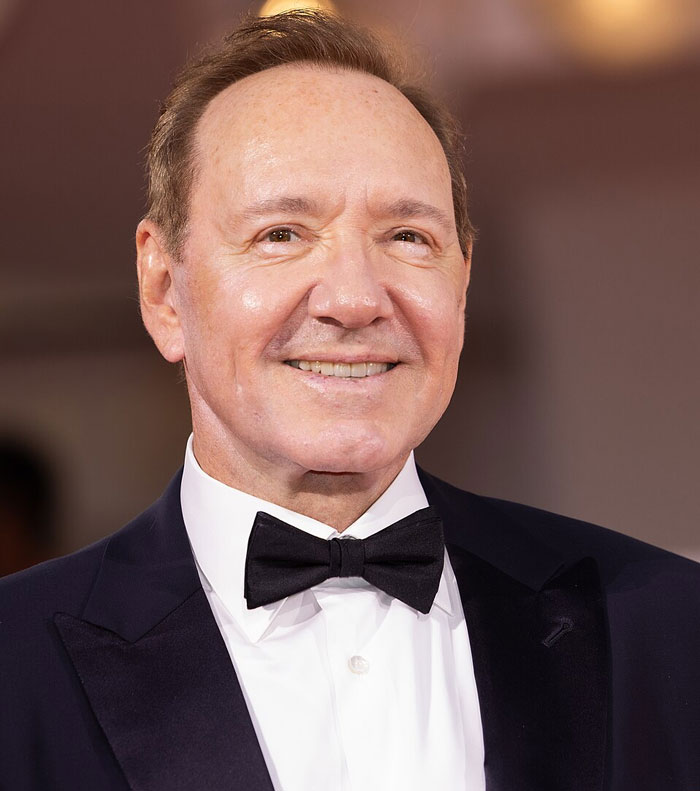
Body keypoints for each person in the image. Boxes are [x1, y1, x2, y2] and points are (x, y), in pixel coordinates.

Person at [1, 10, 698, 791]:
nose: (356, 299)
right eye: (282, 234)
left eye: (407, 237)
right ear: (164, 290)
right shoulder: (13, 665)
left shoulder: (667, 627)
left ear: (461, 284)